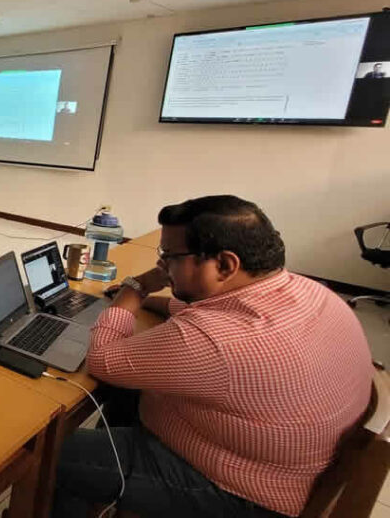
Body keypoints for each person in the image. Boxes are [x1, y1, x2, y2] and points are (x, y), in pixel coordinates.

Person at [52, 195, 373, 518]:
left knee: (54, 456)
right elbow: (205, 310)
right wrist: (154, 301)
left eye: (171, 256)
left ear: (224, 264)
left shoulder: (214, 341)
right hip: (279, 466)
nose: (162, 266)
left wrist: (135, 289)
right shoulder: (307, 290)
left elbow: (104, 360)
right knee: (125, 394)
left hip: (239, 493)